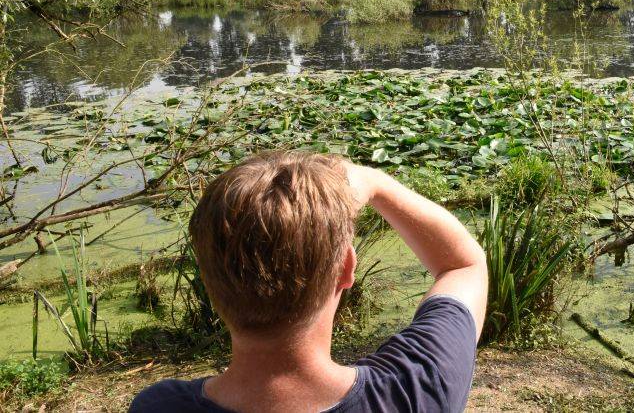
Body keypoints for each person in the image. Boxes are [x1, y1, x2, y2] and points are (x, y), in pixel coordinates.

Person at [129, 151, 488, 413]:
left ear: (208, 281)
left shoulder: (156, 407)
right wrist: (375, 183)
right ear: (347, 267)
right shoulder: (415, 392)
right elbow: (463, 266)